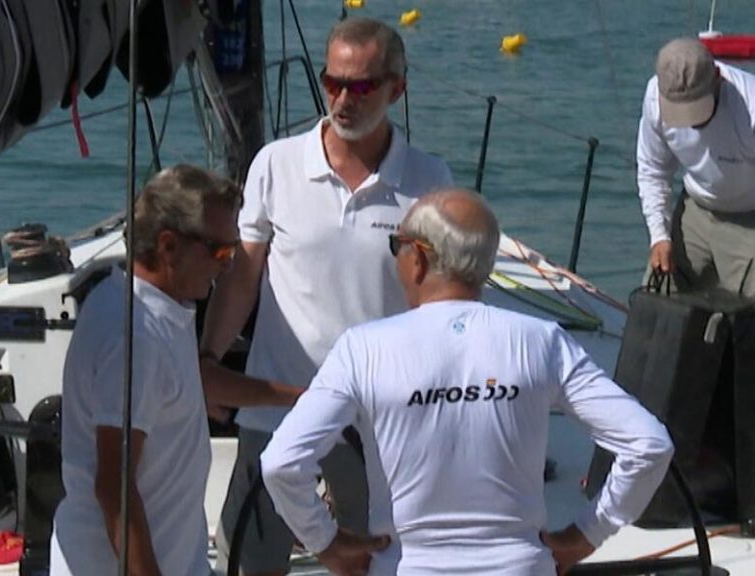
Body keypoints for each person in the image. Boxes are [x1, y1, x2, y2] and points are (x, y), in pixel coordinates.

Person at [261, 188, 674, 576]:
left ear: (419, 258)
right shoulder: (541, 341)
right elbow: (649, 445)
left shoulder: (363, 349)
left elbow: (282, 462)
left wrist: (326, 542)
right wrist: (586, 535)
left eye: (397, 247)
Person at [200, 17, 453, 576]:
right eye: (332, 82)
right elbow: (243, 274)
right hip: (276, 408)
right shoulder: (275, 164)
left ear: (396, 90)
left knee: (371, 560)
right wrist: (208, 362)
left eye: (361, 86)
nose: (342, 98)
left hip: (377, 418)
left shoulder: (430, 181)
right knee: (249, 562)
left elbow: (440, 303)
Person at [50, 165, 300, 576]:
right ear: (168, 246)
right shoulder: (136, 336)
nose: (228, 265)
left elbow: (195, 380)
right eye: (220, 251)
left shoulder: (155, 305)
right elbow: (114, 486)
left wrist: (299, 398)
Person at [637, 37, 755, 295]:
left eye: (697, 108)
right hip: (695, 210)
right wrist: (659, 235)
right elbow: (653, 171)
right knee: (658, 295)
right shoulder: (655, 98)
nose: (690, 123)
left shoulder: (750, 108)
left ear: (717, 78)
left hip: (749, 218)